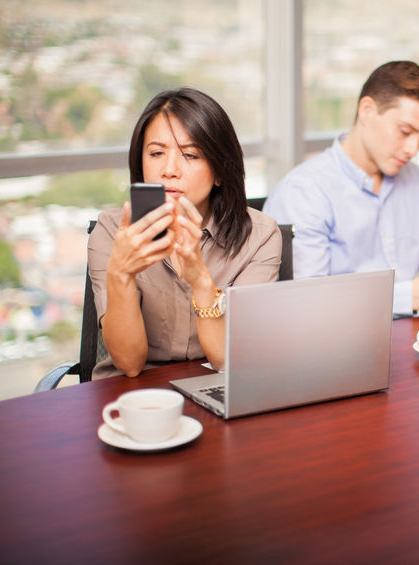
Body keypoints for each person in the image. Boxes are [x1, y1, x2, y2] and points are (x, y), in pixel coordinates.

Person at [264, 60, 419, 317]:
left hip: (410, 340)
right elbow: (307, 301)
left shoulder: (418, 182)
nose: (412, 150)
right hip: (337, 346)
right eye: (405, 131)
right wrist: (410, 296)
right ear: (367, 111)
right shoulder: (305, 191)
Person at [88, 87, 282, 379]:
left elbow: (227, 359)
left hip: (217, 383)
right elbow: (128, 364)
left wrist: (201, 279)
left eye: (190, 155)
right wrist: (121, 273)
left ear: (219, 170)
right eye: (156, 153)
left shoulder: (261, 237)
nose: (169, 170)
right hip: (134, 394)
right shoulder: (111, 232)